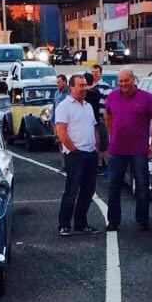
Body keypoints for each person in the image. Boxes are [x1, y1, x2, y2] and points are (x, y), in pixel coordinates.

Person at [101, 69, 152, 232]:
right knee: (113, 187)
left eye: (126, 80)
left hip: (139, 150)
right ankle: (113, 221)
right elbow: (107, 116)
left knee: (142, 186)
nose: (123, 84)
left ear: (133, 80)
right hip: (116, 150)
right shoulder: (112, 96)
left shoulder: (146, 98)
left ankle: (142, 221)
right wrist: (113, 133)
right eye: (120, 81)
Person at [54, 75, 100, 236]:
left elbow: (94, 128)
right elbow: (61, 131)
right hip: (75, 155)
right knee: (72, 190)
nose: (84, 88)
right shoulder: (64, 106)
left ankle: (81, 223)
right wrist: (73, 150)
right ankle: (64, 224)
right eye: (81, 85)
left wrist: (96, 147)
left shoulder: (87, 106)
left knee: (88, 191)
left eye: (85, 85)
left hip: (90, 154)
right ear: (71, 87)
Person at [86, 64, 109, 175]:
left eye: (97, 72)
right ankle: (99, 165)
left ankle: (107, 165)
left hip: (100, 117)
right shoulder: (87, 87)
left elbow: (108, 102)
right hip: (90, 119)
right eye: (93, 72)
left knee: (102, 142)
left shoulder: (105, 86)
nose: (94, 74)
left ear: (101, 73)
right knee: (95, 142)